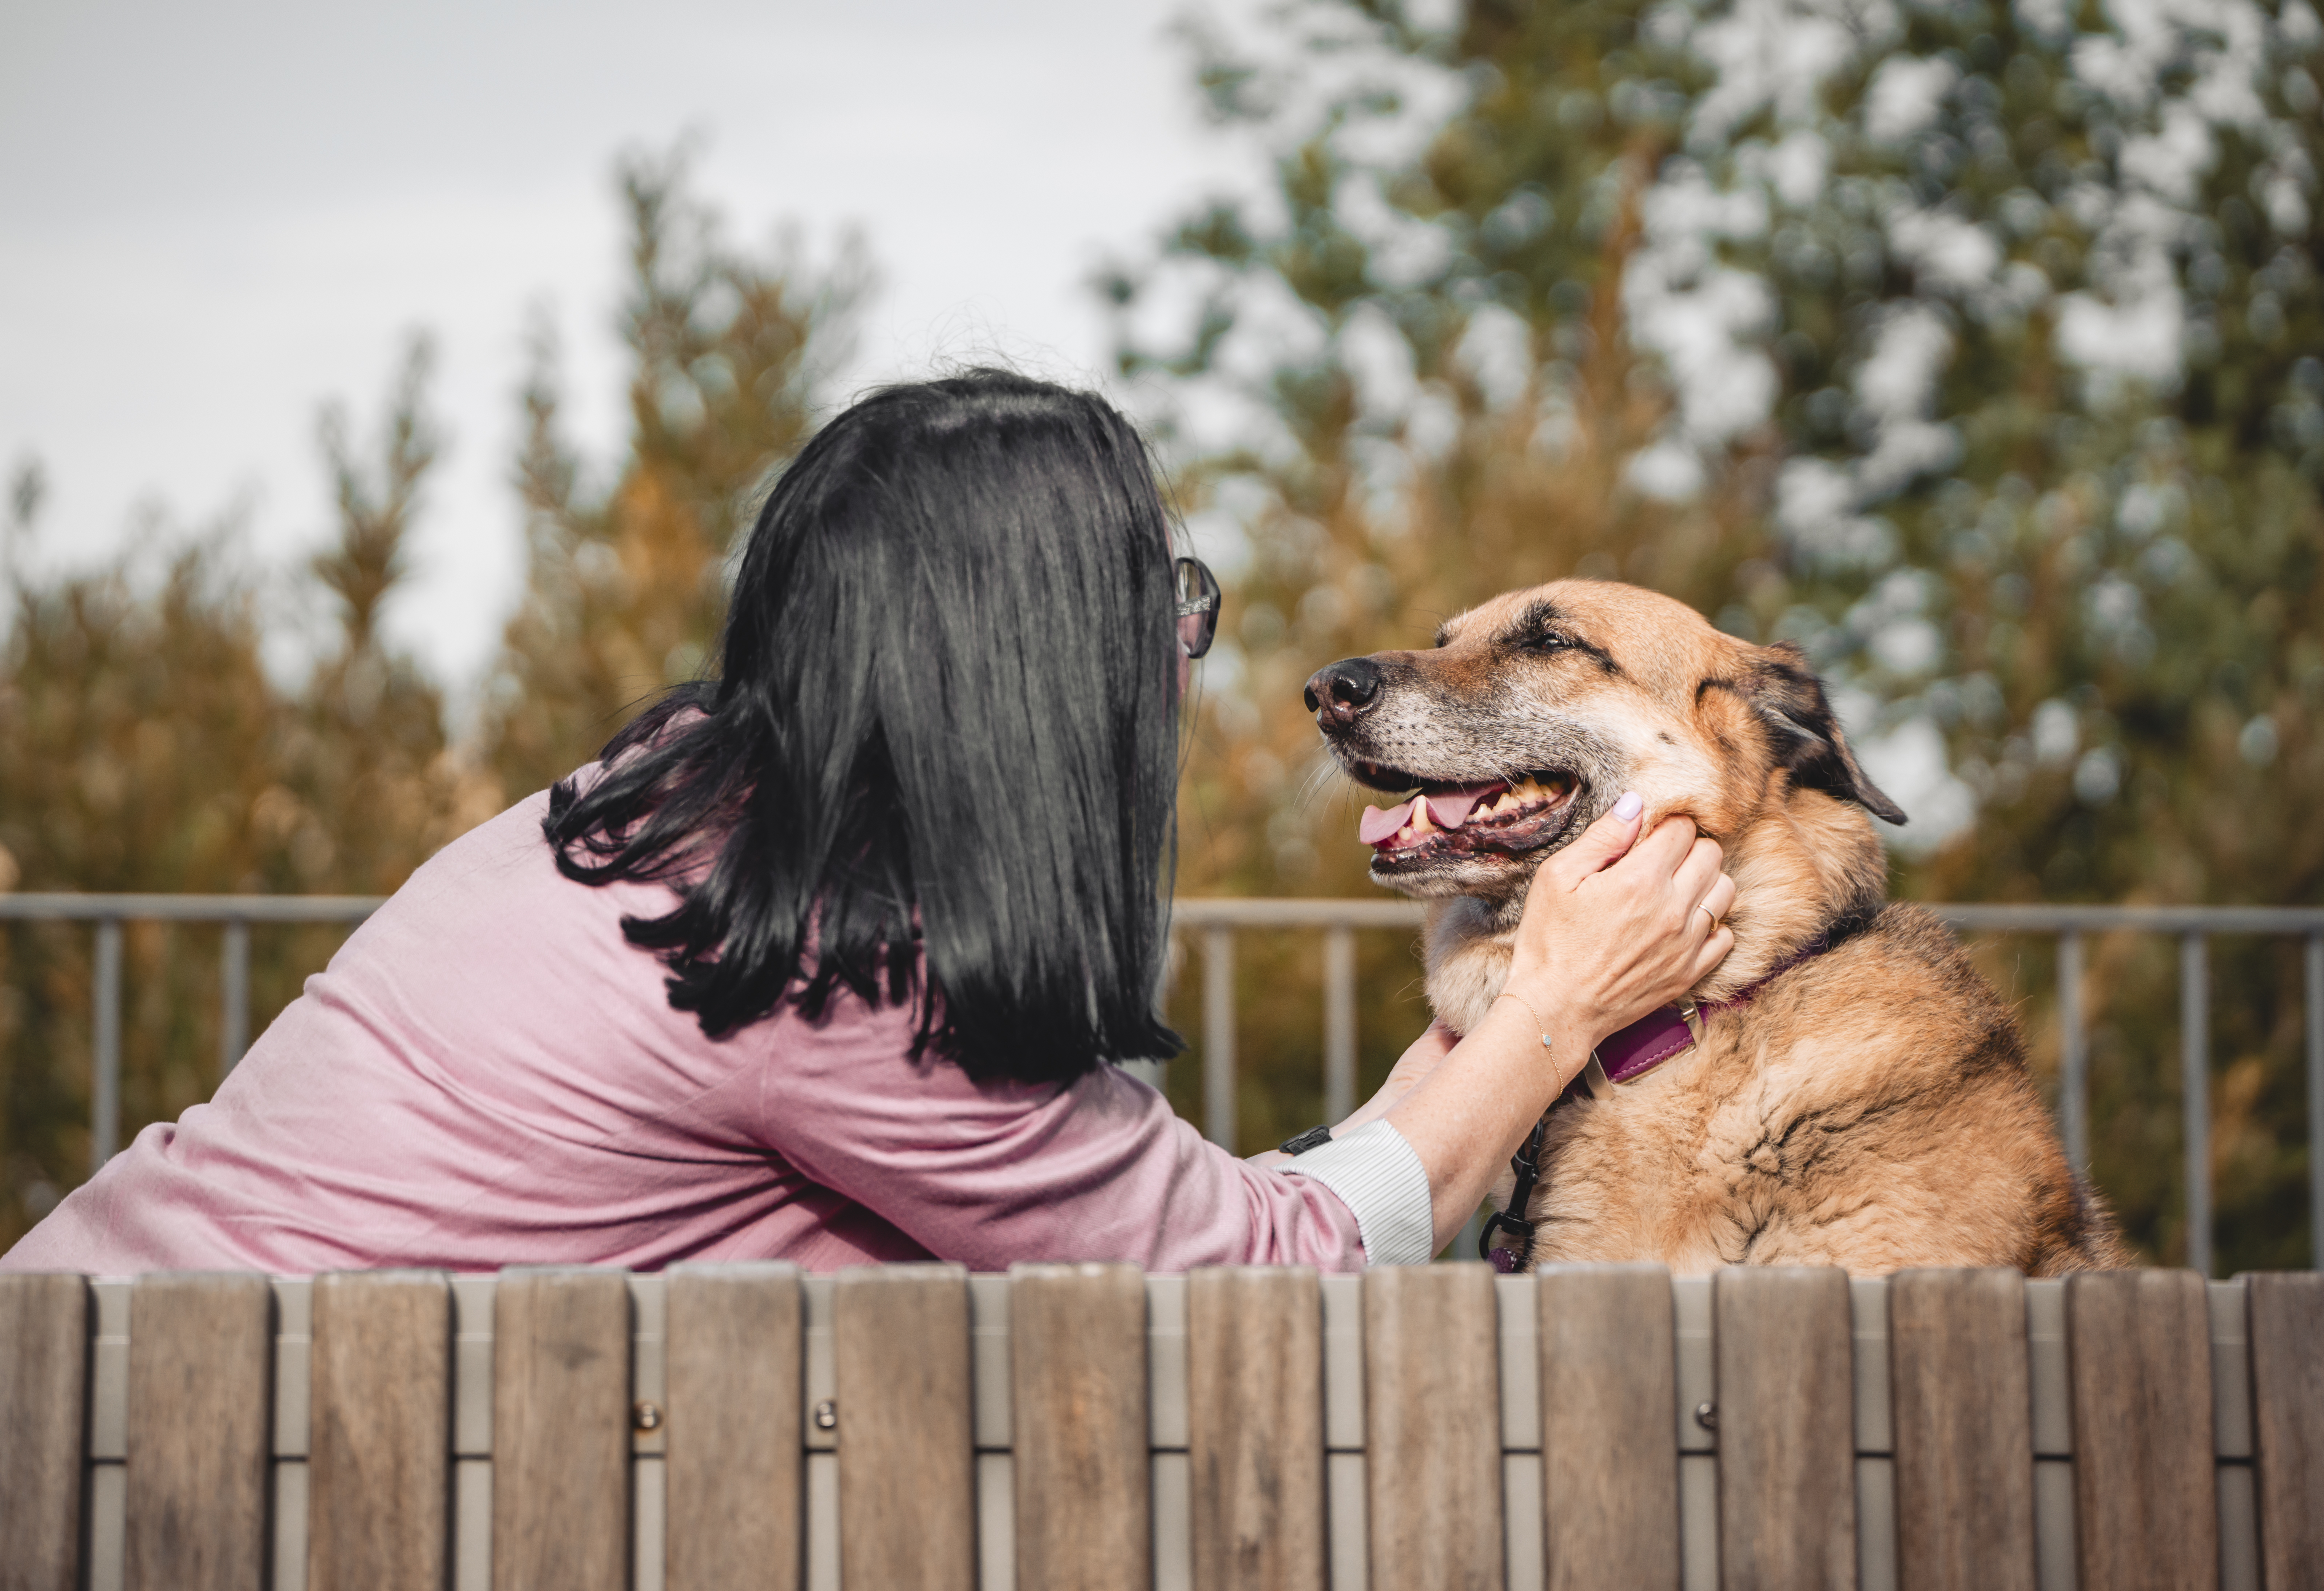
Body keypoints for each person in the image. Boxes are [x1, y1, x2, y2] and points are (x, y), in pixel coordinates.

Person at [2, 370, 1732, 1276]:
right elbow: (1254, 1278)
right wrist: (1559, 1006)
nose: (1189, 667)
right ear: (1042, 671)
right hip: (181, 1473)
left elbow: (1194, 1219)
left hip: (133, 1379)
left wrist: (1500, 1009)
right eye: (1167, 607)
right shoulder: (841, 970)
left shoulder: (698, 817)